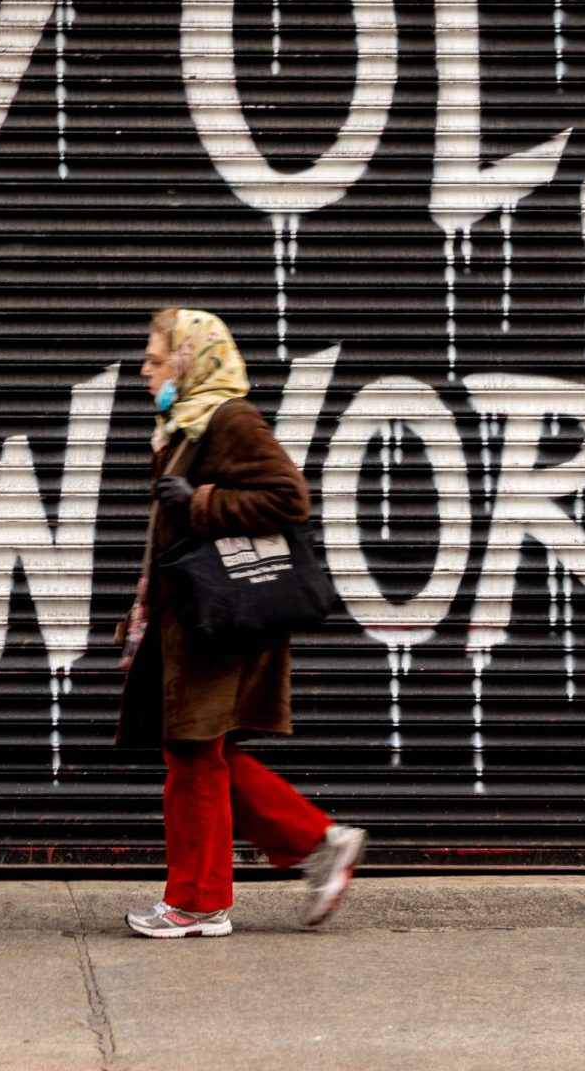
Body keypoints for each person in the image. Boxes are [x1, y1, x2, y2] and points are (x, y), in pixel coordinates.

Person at [115, 306, 367, 939]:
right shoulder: (185, 426)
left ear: (187, 359)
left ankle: (198, 903)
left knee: (194, 753)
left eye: (153, 357)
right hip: (188, 621)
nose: (144, 370)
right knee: (209, 749)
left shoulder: (230, 418)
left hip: (219, 623)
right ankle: (319, 842)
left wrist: (202, 502)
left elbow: (289, 497)